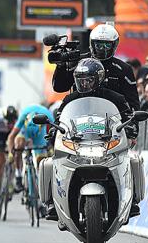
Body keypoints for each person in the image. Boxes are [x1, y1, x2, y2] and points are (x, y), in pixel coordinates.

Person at [46, 58, 137, 219]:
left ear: (99, 79)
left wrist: (131, 127)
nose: (85, 84)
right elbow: (60, 120)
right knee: (48, 163)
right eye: (81, 80)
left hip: (105, 144)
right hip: (78, 144)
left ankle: (133, 200)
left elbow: (128, 116)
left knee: (134, 160)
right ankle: (52, 202)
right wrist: (54, 131)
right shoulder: (69, 100)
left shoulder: (115, 98)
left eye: (89, 80)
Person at [51, 24, 139, 111]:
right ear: (92, 43)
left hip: (112, 119)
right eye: (99, 45)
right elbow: (60, 87)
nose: (103, 49)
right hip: (80, 115)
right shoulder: (79, 62)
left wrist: (131, 120)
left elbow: (133, 104)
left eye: (107, 45)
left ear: (114, 45)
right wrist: (60, 67)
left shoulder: (123, 69)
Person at [7, 104, 54, 193]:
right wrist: (11, 153)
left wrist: (51, 147)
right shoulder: (23, 116)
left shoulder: (48, 115)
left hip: (40, 134)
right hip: (25, 132)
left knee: (41, 161)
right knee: (19, 145)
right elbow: (11, 137)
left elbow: (57, 133)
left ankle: (41, 186)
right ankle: (18, 176)